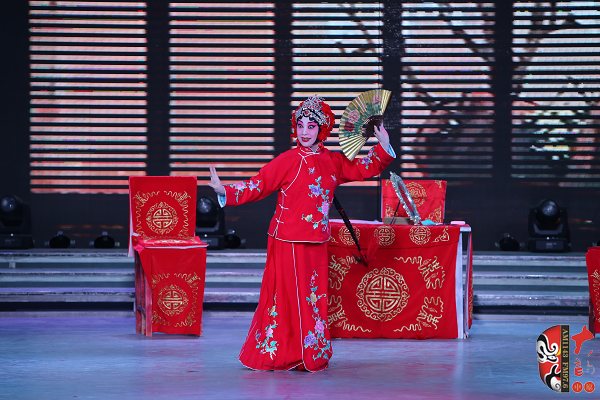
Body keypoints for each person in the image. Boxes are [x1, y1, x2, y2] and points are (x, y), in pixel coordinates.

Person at [208, 95, 396, 372]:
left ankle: (310, 351)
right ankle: (282, 352)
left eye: (311, 126)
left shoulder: (333, 161)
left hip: (317, 240)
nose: (305, 132)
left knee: (313, 297)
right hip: (287, 239)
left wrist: (383, 146)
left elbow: (362, 168)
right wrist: (225, 190)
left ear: (322, 129)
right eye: (301, 125)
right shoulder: (287, 160)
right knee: (285, 297)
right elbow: (258, 185)